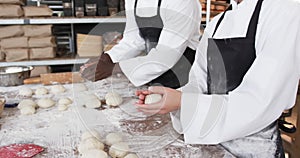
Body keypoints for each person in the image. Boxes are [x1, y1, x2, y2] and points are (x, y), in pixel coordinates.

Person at [135, 0, 300, 157]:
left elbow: (261, 101)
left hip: (253, 148)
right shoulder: (217, 23)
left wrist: (183, 102)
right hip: (212, 145)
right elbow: (198, 81)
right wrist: (175, 97)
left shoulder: (284, 11)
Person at [80, 0, 202, 89]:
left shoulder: (183, 2)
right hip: (153, 75)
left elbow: (166, 55)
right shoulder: (134, 1)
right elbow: (134, 39)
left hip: (184, 79)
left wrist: (113, 68)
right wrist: (107, 58)